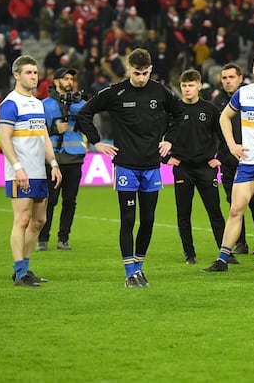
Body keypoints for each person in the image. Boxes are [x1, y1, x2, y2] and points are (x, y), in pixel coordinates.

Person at [77, 48, 184, 288]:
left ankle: (139, 268)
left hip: (151, 167)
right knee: (128, 220)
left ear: (151, 70)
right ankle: (129, 273)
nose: (141, 78)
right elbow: (85, 113)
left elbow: (179, 114)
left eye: (145, 73)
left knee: (148, 220)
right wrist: (96, 142)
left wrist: (169, 139)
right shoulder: (115, 92)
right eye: (137, 73)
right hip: (125, 166)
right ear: (129, 70)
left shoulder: (160, 92)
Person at [202, 51, 254, 273]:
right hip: (247, 163)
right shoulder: (243, 93)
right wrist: (232, 144)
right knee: (236, 209)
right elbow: (224, 117)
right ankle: (222, 259)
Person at [0, 55, 62, 286]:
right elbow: (4, 140)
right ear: (17, 75)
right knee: (23, 219)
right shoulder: (10, 103)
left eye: (35, 73)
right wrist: (17, 168)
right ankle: (20, 271)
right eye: (28, 73)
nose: (34, 76)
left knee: (39, 221)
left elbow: (43, 136)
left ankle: (24, 268)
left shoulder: (37, 103)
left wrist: (53, 163)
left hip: (39, 171)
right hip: (20, 172)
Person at [166, 69, 226, 265]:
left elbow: (225, 136)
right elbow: (154, 136)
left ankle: (225, 253)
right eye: (184, 86)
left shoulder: (210, 109)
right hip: (182, 168)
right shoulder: (173, 111)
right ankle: (189, 255)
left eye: (191, 85)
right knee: (183, 213)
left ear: (199, 86)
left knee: (215, 211)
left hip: (206, 168)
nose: (187, 89)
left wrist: (220, 159)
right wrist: (165, 159)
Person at [214, 63, 254, 256]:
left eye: (231, 77)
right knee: (233, 203)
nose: (227, 81)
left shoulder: (248, 97)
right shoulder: (218, 102)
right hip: (228, 160)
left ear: (240, 77)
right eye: (224, 78)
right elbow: (214, 132)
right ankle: (240, 242)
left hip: (250, 158)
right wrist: (219, 155)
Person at [37, 67, 87, 252]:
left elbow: (86, 125)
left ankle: (63, 239)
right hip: (53, 158)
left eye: (71, 79)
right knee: (49, 201)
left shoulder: (79, 104)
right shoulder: (44, 105)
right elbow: (37, 131)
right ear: (56, 81)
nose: (69, 82)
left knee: (70, 200)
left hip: (74, 158)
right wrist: (53, 130)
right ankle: (43, 238)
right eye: (65, 78)